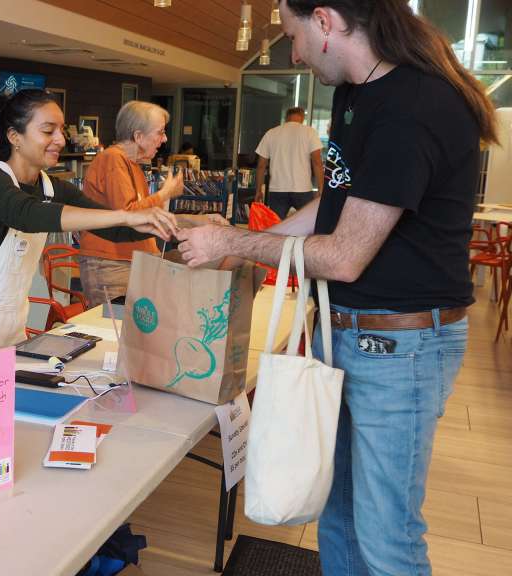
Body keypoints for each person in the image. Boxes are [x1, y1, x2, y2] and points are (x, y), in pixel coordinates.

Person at [176, 1, 495, 574]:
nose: (294, 54)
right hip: (343, 334)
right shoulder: (356, 95)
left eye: (292, 35)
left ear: (324, 21)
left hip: (400, 348)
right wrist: (250, 242)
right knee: (339, 517)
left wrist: (233, 241)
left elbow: (345, 257)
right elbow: (335, 204)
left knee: (387, 536)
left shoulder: (415, 106)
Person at [0, 89, 179, 355]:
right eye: (48, 131)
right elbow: (29, 214)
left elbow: (115, 230)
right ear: (14, 137)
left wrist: (183, 225)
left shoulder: (51, 187)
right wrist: (127, 214)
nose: (60, 140)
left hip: (13, 333)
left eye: (61, 130)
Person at [76, 101, 186, 306]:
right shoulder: (113, 159)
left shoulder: (131, 164)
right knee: (113, 324)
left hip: (128, 262)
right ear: (138, 136)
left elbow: (142, 214)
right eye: (160, 132)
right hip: (111, 264)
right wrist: (164, 194)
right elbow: (129, 214)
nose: (164, 139)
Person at [254, 106, 324, 220]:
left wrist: (258, 190)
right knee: (306, 224)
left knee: (277, 226)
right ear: (302, 118)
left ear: (286, 118)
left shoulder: (271, 133)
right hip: (302, 189)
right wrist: (321, 188)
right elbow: (317, 162)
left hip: (278, 189)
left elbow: (261, 166)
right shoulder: (309, 132)